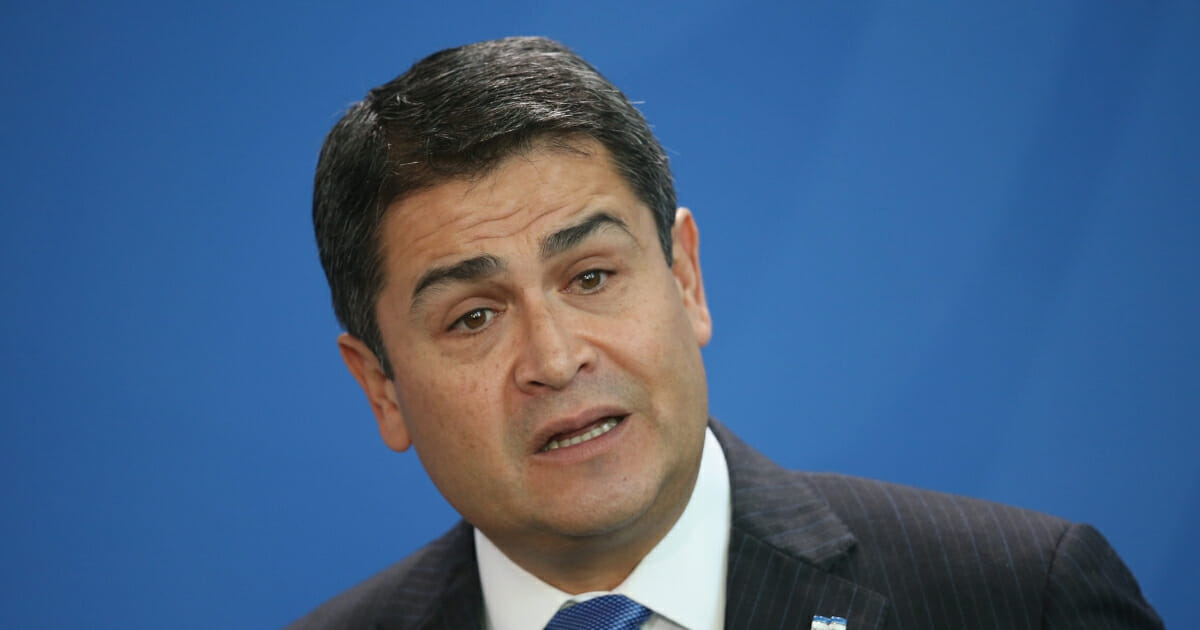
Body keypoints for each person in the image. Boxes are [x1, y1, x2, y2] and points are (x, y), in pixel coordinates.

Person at [289, 36, 1162, 630]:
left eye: (591, 277)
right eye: (473, 317)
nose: (554, 360)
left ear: (685, 278)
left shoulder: (1018, 597)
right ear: (381, 387)